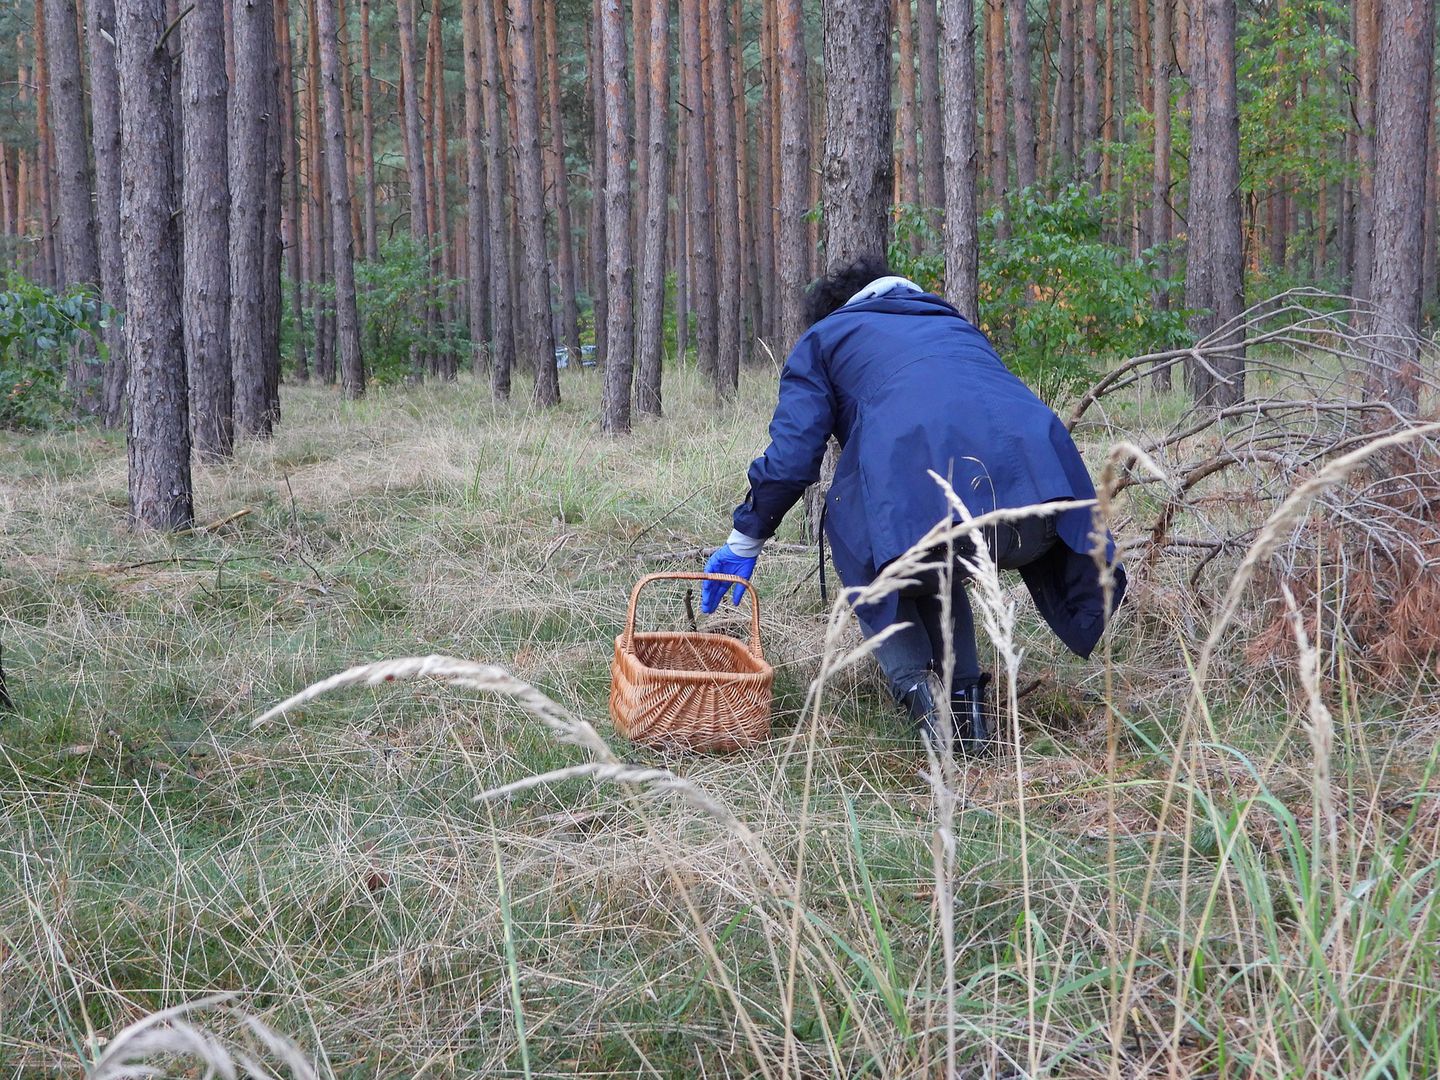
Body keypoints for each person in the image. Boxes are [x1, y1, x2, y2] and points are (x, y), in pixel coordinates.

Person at [699, 255, 1126, 755]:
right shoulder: (954, 327)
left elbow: (794, 458)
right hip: (1045, 507)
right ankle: (972, 731)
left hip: (946, 510)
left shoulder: (825, 339)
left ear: (836, 311)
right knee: (937, 565)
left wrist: (746, 537)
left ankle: (925, 707)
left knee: (875, 547)